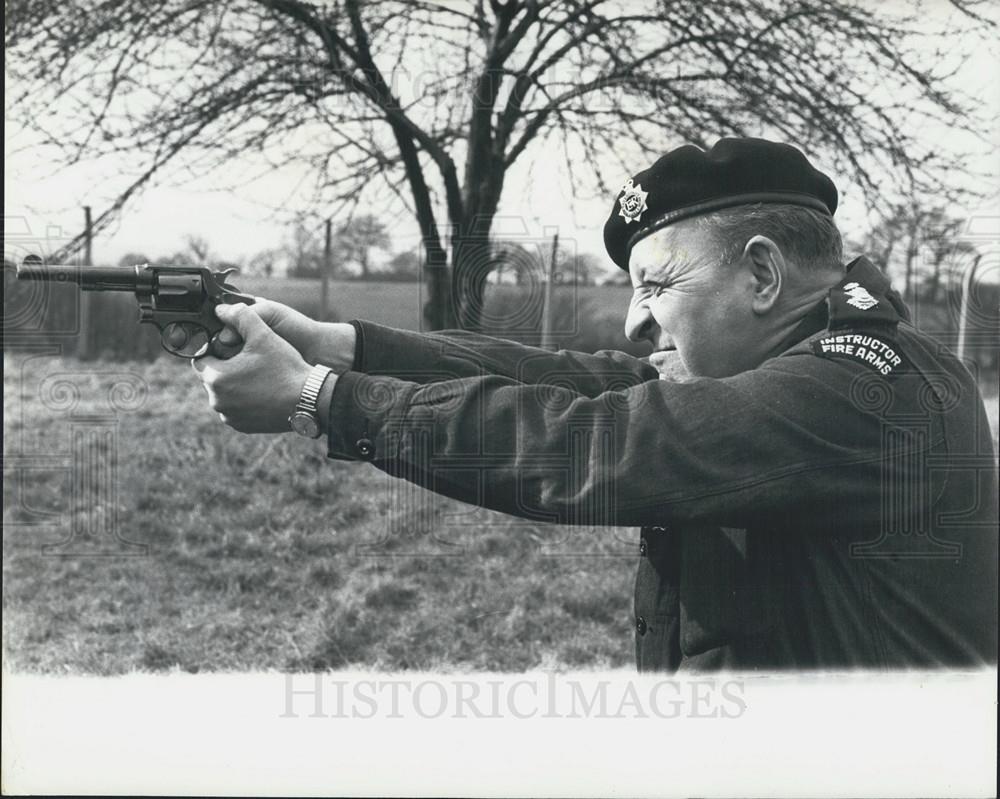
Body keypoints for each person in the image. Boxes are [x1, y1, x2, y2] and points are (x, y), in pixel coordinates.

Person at [194, 138, 998, 672]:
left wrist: (317, 399)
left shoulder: (866, 387)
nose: (633, 317)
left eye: (655, 285)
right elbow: (578, 379)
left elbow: (594, 443)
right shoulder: (788, 367)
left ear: (762, 276)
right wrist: (340, 346)